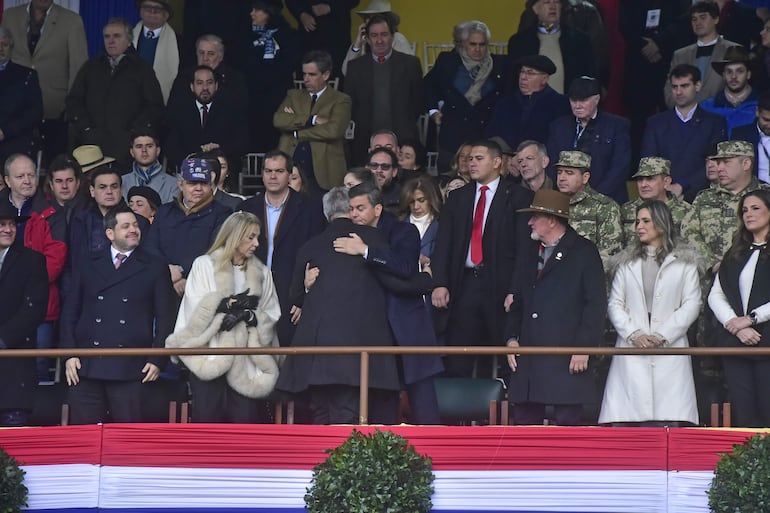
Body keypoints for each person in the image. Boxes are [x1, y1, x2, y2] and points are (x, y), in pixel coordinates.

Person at [275, 186, 401, 424]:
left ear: (326, 213)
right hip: (357, 349)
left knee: (321, 414)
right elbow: (395, 277)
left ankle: (321, 461)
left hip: (314, 351)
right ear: (350, 210)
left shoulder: (310, 245)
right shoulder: (371, 239)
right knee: (348, 418)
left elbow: (295, 297)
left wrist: (307, 287)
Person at [335, 182, 443, 424]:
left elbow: (405, 268)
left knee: (424, 406)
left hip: (407, 329)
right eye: (351, 209)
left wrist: (365, 252)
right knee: (380, 411)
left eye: (361, 208)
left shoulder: (403, 231)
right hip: (372, 331)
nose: (354, 214)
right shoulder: (351, 235)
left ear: (378, 209)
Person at [59, 205, 176, 424]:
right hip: (85, 365)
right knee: (85, 437)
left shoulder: (155, 265)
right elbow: (70, 311)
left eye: (135, 225)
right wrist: (69, 354)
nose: (133, 230)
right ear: (110, 233)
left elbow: (165, 317)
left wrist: (157, 358)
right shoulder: (88, 262)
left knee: (127, 441)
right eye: (126, 226)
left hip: (132, 367)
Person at [166, 211, 281, 423]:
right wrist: (226, 306)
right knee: (208, 422)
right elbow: (195, 309)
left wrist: (249, 316)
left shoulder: (262, 272)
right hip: (210, 358)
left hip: (246, 364)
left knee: (246, 425)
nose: (256, 243)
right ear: (234, 236)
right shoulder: (204, 265)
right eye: (250, 237)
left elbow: (272, 312)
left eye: (258, 237)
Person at [431, 140, 533, 377]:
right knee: (459, 354)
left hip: (500, 283)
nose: (471, 163)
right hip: (465, 283)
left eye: (479, 158)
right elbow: (444, 244)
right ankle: (459, 411)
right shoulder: (458, 197)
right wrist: (439, 283)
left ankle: (506, 410)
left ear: (497, 162)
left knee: (504, 351)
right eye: (470, 159)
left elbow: (524, 250)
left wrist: (516, 290)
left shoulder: (519, 196)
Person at [506, 189, 607, 425]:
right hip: (529, 358)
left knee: (567, 429)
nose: (529, 222)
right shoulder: (530, 251)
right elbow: (517, 300)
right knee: (525, 430)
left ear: (551, 220)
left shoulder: (584, 252)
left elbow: (595, 304)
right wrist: (511, 338)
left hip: (566, 359)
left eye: (535, 217)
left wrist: (584, 348)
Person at [599, 200, 702, 426]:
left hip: (670, 346)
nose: (638, 226)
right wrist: (634, 333)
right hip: (631, 346)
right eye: (637, 221)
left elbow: (692, 303)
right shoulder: (627, 263)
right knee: (627, 421)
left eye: (645, 221)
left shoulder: (685, 263)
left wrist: (662, 334)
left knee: (669, 420)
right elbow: (614, 303)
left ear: (662, 225)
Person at [238, 150, 326, 346]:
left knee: (287, 358)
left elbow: (317, 255)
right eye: (268, 171)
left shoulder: (310, 209)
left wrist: (304, 299)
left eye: (279, 171)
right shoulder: (246, 207)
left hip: (290, 294)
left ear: (289, 174)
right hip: (253, 291)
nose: (273, 176)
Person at [708, 189, 770, 427]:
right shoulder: (737, 252)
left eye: (755, 208)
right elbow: (716, 294)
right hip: (737, 343)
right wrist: (735, 325)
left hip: (766, 343)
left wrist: (752, 319)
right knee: (743, 412)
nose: (748, 214)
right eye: (744, 210)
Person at [66, 18, 164, 167]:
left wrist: (133, 132)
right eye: (107, 36)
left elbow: (154, 106)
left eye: (117, 36)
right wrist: (86, 127)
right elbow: (73, 100)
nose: (111, 41)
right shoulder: (91, 67)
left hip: (126, 149)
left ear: (129, 40)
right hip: (91, 147)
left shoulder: (141, 69)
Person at [1, 0, 87, 161]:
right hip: (14, 114)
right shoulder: (10, 16)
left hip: (55, 110)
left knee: (53, 165)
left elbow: (78, 68)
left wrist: (71, 107)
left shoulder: (72, 21)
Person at [143, 157, 232, 298]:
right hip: (162, 286)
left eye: (203, 183)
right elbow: (151, 246)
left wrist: (183, 271)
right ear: (180, 184)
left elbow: (216, 251)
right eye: (192, 183)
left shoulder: (222, 213)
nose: (198, 188)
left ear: (211, 185)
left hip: (202, 289)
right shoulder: (164, 211)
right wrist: (166, 273)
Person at [344, 13, 424, 166]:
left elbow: (418, 102)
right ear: (367, 39)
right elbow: (350, 104)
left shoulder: (410, 64)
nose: (379, 40)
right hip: (365, 140)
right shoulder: (355, 67)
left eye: (384, 34)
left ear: (393, 37)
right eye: (374, 35)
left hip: (403, 139)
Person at [425, 20, 506, 169]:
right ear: (463, 44)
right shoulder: (447, 61)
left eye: (482, 45)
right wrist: (433, 111)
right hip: (452, 136)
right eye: (473, 44)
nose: (477, 49)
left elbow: (505, 99)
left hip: (484, 136)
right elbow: (429, 86)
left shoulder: (500, 66)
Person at [641, 64, 727, 202]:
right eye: (675, 87)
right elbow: (648, 163)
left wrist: (682, 186)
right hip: (664, 198)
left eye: (684, 86)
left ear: (697, 86)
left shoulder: (714, 123)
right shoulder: (656, 123)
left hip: (703, 199)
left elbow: (715, 164)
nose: (679, 92)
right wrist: (666, 189)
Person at [274, 49, 351, 192]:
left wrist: (297, 132)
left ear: (326, 75)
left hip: (323, 174)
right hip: (290, 171)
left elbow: (334, 130)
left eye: (312, 74)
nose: (306, 79)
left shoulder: (341, 100)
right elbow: (279, 120)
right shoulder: (293, 95)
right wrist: (312, 119)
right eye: (304, 74)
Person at [0, 201, 48, 427]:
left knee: (13, 448)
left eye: (11, 224)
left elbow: (35, 308)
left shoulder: (32, 260)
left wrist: (3, 338)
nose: (8, 229)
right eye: (1, 224)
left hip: (15, 369)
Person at [547, 76, 631, 203]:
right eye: (573, 100)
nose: (577, 105)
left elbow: (620, 167)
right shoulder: (558, 127)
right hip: (566, 200)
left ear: (597, 99)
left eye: (583, 100)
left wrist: (593, 198)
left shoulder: (616, 126)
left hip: (606, 202)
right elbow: (552, 164)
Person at [164, 65, 250, 173]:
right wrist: (192, 159)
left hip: (224, 171)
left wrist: (220, 148)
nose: (205, 88)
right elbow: (171, 146)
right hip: (190, 171)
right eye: (199, 83)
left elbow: (243, 143)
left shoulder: (231, 109)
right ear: (192, 87)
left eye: (209, 83)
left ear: (216, 86)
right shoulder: (180, 112)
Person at [243, 1, 300, 152]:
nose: (252, 13)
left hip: (279, 99)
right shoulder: (246, 36)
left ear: (269, 12)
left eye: (257, 10)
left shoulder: (288, 36)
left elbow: (290, 65)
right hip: (254, 101)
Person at [507, 0, 596, 94]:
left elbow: (589, 80)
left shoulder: (580, 41)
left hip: (568, 106)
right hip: (530, 106)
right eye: (547, 2)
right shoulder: (519, 42)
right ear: (535, 9)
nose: (553, 6)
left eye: (557, 2)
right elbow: (511, 83)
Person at [486, 55, 570, 151]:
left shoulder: (560, 104)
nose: (523, 77)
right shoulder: (506, 103)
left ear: (544, 79)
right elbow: (492, 134)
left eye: (530, 73)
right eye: (522, 72)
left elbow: (561, 139)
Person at [664, 2, 739, 109]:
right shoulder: (680, 54)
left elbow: (738, 86)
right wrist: (681, 110)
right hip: (683, 115)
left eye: (703, 17)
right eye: (694, 19)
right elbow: (669, 88)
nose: (698, 22)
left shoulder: (733, 50)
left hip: (721, 114)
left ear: (716, 19)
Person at [554, 150, 623, 265]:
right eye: (559, 172)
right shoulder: (552, 204)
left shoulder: (604, 207)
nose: (562, 178)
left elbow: (610, 255)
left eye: (569, 173)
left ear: (585, 178)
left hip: (588, 278)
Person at [621, 157, 693, 245]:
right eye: (640, 179)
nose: (643, 185)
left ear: (666, 182)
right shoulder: (626, 210)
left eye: (650, 179)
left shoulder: (686, 211)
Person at [0, 27, 43, 169]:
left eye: (4, 44)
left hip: (15, 143)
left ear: (11, 47)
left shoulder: (26, 75)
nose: (1, 48)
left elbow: (35, 112)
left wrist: (5, 132)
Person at [286, 0, 359, 79]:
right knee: (309, 77)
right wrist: (301, 14)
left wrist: (330, 7)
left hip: (337, 36)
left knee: (338, 77)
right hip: (309, 36)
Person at [342, 0, 413, 76]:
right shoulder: (362, 42)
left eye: (374, 19)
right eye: (367, 18)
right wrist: (357, 45)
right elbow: (346, 71)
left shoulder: (397, 38)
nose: (368, 22)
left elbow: (410, 70)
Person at [701, 46, 758, 137]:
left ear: (748, 74)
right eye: (729, 72)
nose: (734, 76)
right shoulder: (707, 107)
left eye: (739, 71)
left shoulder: (761, 105)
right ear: (723, 75)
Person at [132, 0, 179, 104]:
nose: (152, 11)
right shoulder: (127, 37)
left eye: (157, 9)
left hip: (161, 103)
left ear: (166, 15)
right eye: (147, 7)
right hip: (130, 99)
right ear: (140, 12)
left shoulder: (179, 43)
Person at [121, 130, 179, 204]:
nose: (144, 150)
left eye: (149, 146)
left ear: (157, 151)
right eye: (139, 146)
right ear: (132, 152)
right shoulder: (121, 182)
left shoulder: (173, 183)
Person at [400, 177, 442, 268]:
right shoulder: (398, 226)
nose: (416, 206)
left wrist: (428, 262)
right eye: (411, 202)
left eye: (421, 200)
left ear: (431, 200)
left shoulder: (442, 226)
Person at [732, 91, 770, 183]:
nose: (769, 125)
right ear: (757, 112)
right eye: (766, 120)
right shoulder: (741, 135)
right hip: (753, 192)